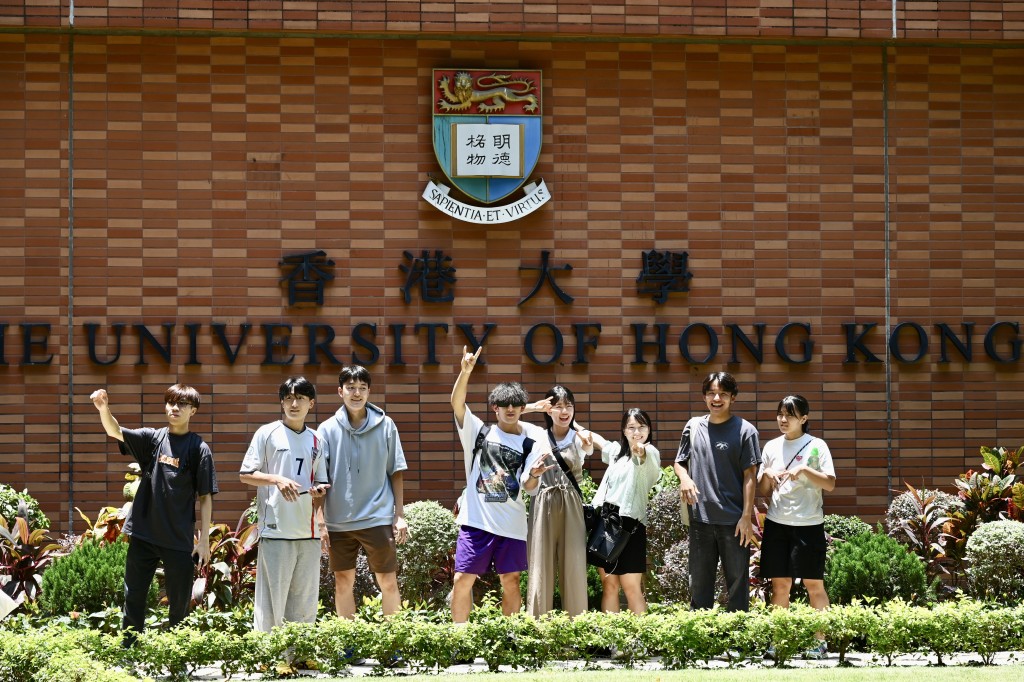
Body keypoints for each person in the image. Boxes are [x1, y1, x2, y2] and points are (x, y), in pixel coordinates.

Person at [89, 384, 218, 646]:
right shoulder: (152, 439)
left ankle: (176, 655)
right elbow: (115, 430)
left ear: (193, 410)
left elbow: (205, 496)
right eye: (171, 402)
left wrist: (203, 540)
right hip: (144, 533)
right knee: (134, 596)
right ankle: (129, 650)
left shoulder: (198, 449)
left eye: (182, 404)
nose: (175, 408)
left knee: (179, 603)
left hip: (178, 538)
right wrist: (104, 409)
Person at [450, 346, 554, 622]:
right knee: (462, 578)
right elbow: (457, 403)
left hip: (512, 523)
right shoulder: (479, 431)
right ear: (494, 408)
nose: (510, 410)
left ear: (522, 408)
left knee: (511, 579)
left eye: (515, 405)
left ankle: (509, 638)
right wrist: (465, 372)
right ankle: (459, 641)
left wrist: (533, 475)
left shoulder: (533, 439)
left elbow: (529, 486)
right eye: (504, 405)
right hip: (476, 522)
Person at [240, 377, 329, 633]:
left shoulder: (317, 439)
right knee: (271, 600)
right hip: (276, 530)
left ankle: (299, 655)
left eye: (300, 398)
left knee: (305, 599)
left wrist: (318, 493)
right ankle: (270, 655)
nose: (294, 403)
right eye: (288, 397)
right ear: (281, 402)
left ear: (311, 403)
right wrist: (276, 479)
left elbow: (322, 482)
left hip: (308, 532)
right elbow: (245, 474)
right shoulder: (266, 433)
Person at [317, 365, 407, 618]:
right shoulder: (326, 430)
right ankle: (349, 647)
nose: (356, 393)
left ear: (369, 391)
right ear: (340, 391)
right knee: (343, 582)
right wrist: (321, 521)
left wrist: (399, 514)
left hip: (377, 517)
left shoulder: (387, 425)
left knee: (388, 582)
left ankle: (394, 647)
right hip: (338, 522)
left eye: (362, 388)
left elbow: (396, 471)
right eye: (351, 388)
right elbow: (320, 481)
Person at [674, 371, 761, 612]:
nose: (716, 398)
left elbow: (750, 477)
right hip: (700, 519)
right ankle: (701, 643)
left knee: (737, 586)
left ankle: (738, 643)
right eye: (711, 393)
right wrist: (685, 479)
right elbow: (679, 462)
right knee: (700, 586)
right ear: (704, 397)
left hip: (734, 522)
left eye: (723, 394)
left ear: (733, 397)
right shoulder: (693, 426)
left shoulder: (746, 430)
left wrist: (746, 518)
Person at [758, 395, 836, 659]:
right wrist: (766, 476)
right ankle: (778, 641)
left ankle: (819, 642)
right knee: (780, 585)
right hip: (777, 523)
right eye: (780, 414)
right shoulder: (770, 447)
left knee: (814, 583)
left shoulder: (817, 446)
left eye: (790, 415)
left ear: (804, 418)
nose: (783, 419)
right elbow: (763, 490)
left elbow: (830, 483)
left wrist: (804, 469)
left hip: (808, 524)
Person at [524, 385, 606, 617]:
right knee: (540, 565)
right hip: (542, 501)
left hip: (571, 504)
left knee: (574, 566)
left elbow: (592, 446)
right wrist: (533, 407)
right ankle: (539, 630)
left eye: (568, 406)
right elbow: (508, 414)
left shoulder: (579, 436)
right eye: (558, 406)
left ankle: (577, 629)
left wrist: (589, 442)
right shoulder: (536, 435)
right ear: (548, 410)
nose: (564, 411)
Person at [590, 408, 662, 614]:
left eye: (641, 427)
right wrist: (576, 427)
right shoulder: (617, 454)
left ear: (649, 430)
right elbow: (599, 441)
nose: (636, 432)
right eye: (631, 427)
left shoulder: (651, 453)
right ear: (623, 430)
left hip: (631, 527)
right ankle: (613, 644)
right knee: (609, 586)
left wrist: (640, 451)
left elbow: (645, 456)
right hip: (605, 526)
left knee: (632, 588)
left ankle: (638, 646)